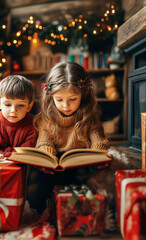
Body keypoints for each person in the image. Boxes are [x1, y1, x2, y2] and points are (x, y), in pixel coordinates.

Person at [27, 62, 111, 213]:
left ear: (83, 94)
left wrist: (99, 154)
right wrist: (46, 156)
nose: (66, 105)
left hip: (79, 167)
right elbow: (43, 142)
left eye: (72, 99)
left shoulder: (88, 118)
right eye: (59, 100)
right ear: (50, 96)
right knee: (36, 177)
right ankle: (41, 210)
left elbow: (99, 141)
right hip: (55, 168)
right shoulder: (46, 119)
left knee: (93, 176)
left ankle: (74, 206)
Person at [0, 75, 38, 157]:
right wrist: (9, 154)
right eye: (8, 104)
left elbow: (25, 154)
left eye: (21, 105)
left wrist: (4, 154)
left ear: (29, 106)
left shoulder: (33, 124)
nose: (13, 110)